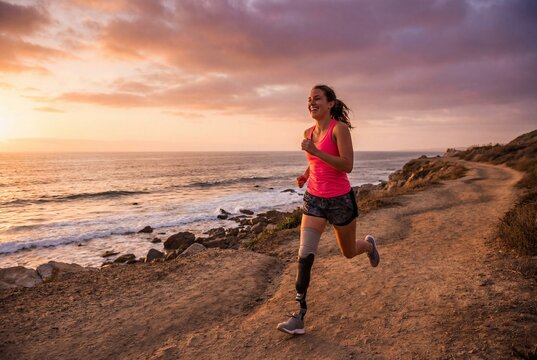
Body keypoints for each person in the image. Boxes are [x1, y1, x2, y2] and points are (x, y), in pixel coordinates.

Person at [277, 84, 380, 335]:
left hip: (340, 201)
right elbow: (314, 165)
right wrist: (304, 175)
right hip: (314, 200)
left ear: (330, 103)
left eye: (317, 98)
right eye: (309, 100)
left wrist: (314, 151)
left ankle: (367, 245)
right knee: (305, 256)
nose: (312, 103)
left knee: (348, 252)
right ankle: (299, 316)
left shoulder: (339, 129)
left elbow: (347, 165)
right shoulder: (308, 132)